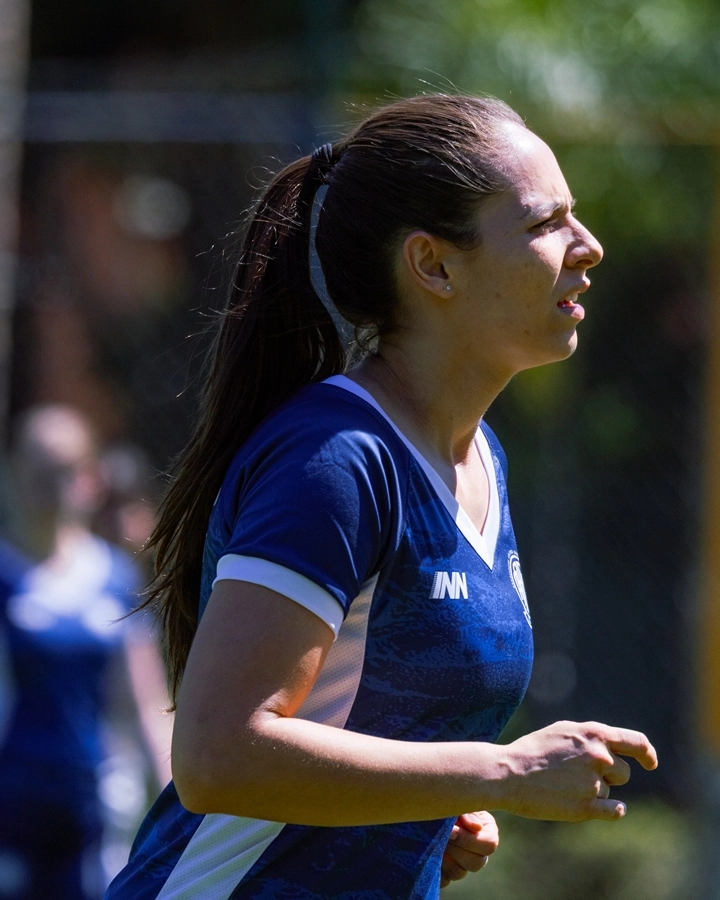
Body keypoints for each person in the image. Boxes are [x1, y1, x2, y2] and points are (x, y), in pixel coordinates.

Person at [106, 94, 657, 900]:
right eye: (545, 224)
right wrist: (497, 770)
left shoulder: (481, 459)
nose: (589, 247)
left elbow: (359, 726)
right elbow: (218, 756)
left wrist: (430, 809)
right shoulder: (337, 460)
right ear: (434, 265)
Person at [0, 405, 172, 900]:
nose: (47, 482)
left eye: (61, 467)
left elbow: (146, 703)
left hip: (92, 811)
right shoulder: (3, 580)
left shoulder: (114, 578)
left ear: (88, 476)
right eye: (35, 465)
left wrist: (177, 801)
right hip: (12, 810)